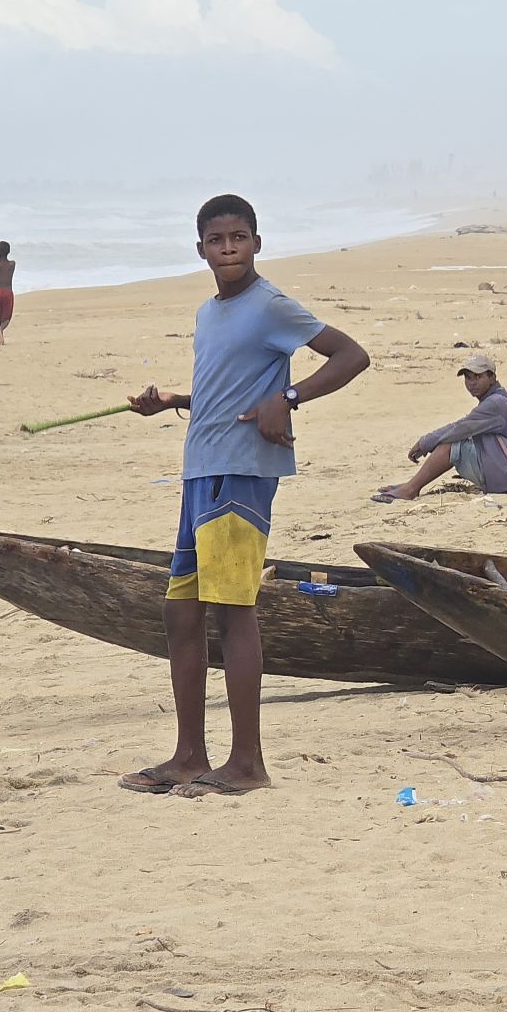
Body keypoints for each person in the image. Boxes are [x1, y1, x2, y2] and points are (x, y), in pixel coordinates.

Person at [120, 194, 369, 797]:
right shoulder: (209, 313)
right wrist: (175, 402)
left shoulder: (270, 305)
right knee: (181, 612)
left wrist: (288, 398)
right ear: (200, 248)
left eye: (238, 238)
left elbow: (352, 355)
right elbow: (226, 384)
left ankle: (248, 763)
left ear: (257, 243)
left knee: (233, 610)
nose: (228, 249)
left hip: (242, 472)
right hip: (200, 469)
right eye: (216, 240)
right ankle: (188, 755)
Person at [377, 353, 507, 501]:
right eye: (468, 378)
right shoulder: (496, 399)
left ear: (492, 378)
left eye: (477, 377)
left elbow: (461, 428)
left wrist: (425, 442)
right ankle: (411, 485)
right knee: (456, 441)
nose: (472, 383)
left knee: (452, 445)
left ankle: (411, 489)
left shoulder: (496, 404)